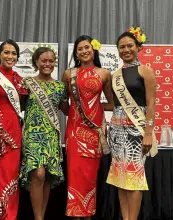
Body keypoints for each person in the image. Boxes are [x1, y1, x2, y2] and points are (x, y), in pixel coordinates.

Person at [106, 27, 157, 220]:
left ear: (138, 47)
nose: (126, 50)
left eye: (130, 46)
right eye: (121, 47)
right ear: (117, 50)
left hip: (137, 130)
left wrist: (149, 132)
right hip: (117, 129)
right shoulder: (115, 74)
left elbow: (151, 103)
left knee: (134, 177)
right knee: (120, 177)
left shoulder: (146, 71)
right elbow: (112, 104)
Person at [61, 35, 113, 220]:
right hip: (75, 132)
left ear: (94, 50)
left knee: (90, 178)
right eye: (80, 49)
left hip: (95, 131)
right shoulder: (69, 74)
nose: (84, 51)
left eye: (87, 48)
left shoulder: (104, 73)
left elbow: (112, 103)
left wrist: (95, 109)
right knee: (75, 177)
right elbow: (64, 104)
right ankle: (76, 216)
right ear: (76, 53)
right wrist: (76, 112)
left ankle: (88, 215)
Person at [20, 47, 69, 220]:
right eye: (43, 60)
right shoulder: (26, 83)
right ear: (36, 62)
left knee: (47, 175)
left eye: (51, 61)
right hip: (32, 135)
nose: (47, 64)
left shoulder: (59, 86)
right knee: (38, 173)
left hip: (51, 135)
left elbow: (68, 111)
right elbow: (17, 106)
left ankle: (40, 216)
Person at [0, 39, 28, 220]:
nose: (10, 56)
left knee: (11, 182)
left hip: (14, 135)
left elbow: (23, 107)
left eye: (14, 53)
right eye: (6, 52)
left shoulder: (19, 79)